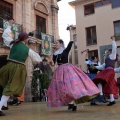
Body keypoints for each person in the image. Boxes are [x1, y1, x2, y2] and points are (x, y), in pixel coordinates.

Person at [46, 39, 100, 111]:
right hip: (59, 71)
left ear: (61, 43)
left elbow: (70, 43)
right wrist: (51, 63)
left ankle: (73, 103)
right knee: (63, 88)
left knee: (70, 87)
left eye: (57, 43)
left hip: (67, 69)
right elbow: (53, 64)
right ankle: (71, 103)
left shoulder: (66, 50)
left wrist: (72, 40)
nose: (56, 44)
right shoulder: (55, 53)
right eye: (55, 43)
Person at [0, 32, 42, 116]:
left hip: (8, 66)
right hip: (18, 69)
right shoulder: (27, 49)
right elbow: (38, 59)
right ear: (25, 39)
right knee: (10, 88)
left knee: (5, 86)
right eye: (27, 38)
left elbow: (5, 35)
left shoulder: (13, 43)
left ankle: (4, 105)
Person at [92, 36, 118, 106]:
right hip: (109, 71)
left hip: (109, 71)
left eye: (108, 52)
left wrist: (113, 40)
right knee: (109, 85)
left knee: (99, 78)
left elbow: (114, 49)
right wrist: (95, 67)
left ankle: (100, 94)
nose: (108, 53)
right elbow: (102, 66)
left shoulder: (113, 56)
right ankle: (112, 100)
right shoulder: (106, 61)